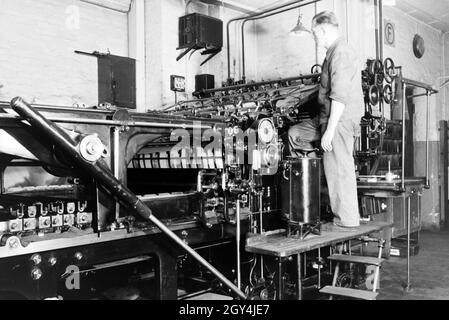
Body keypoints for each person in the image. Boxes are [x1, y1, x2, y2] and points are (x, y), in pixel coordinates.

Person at [310, 11, 365, 229]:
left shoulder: (340, 52)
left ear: (323, 30)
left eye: (315, 33)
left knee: (339, 169)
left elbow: (339, 96)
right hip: (333, 119)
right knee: (296, 135)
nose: (315, 38)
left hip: (339, 121)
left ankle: (346, 222)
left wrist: (329, 131)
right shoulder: (335, 52)